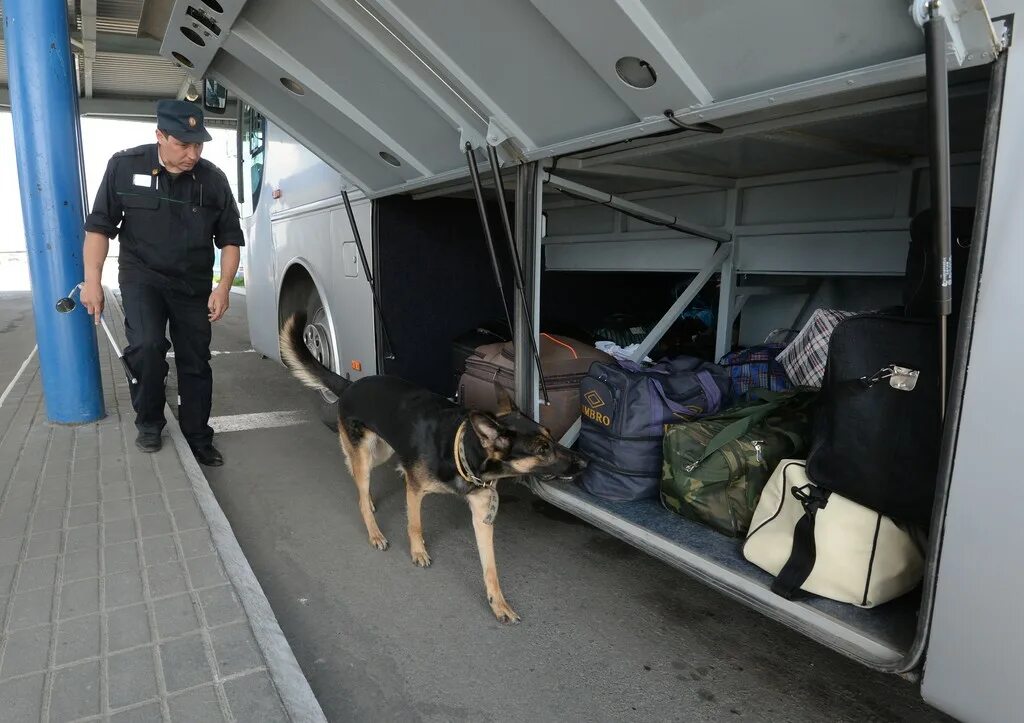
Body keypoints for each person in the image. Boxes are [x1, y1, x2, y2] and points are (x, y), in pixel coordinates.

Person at [80, 99, 243, 466]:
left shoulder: (213, 179)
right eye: (184, 144)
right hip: (143, 279)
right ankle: (150, 421)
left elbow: (230, 240)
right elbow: (99, 229)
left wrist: (223, 287)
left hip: (192, 285)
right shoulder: (124, 166)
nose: (192, 154)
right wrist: (92, 281)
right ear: (160, 135)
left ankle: (198, 435)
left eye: (198, 144)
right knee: (148, 347)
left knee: (196, 361)